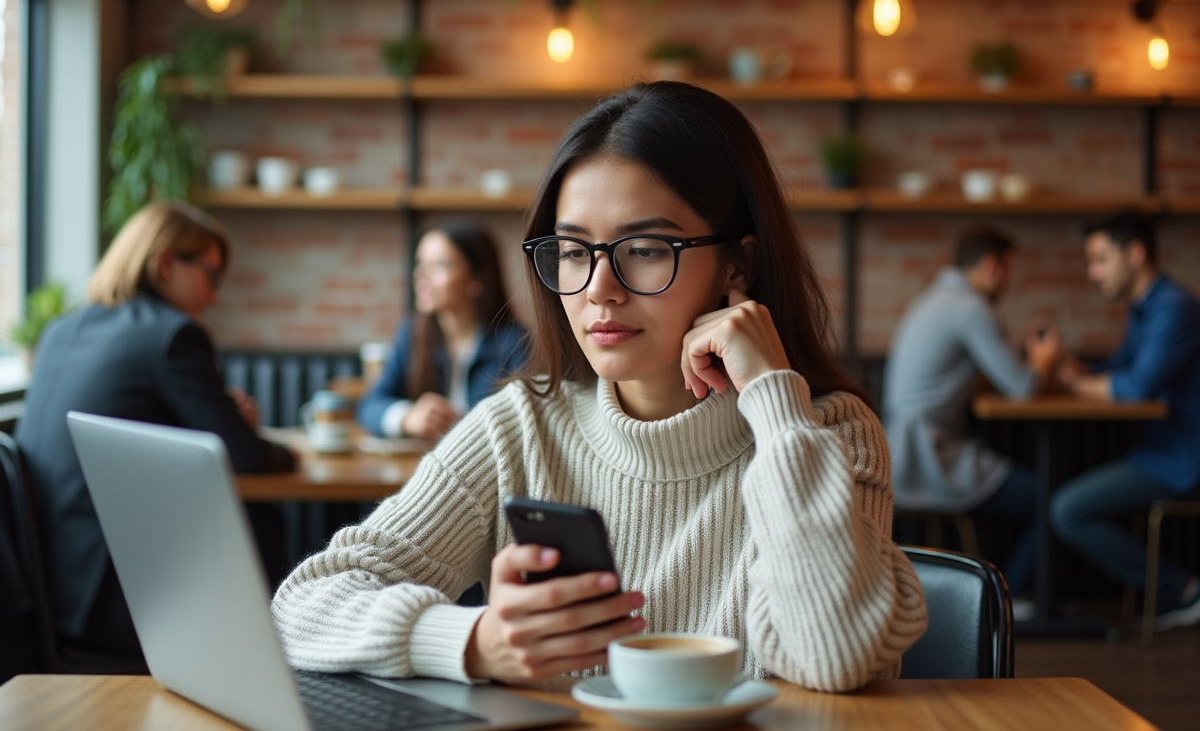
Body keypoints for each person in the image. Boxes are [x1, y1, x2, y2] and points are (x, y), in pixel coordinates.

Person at [271, 82, 926, 693]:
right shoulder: (520, 429)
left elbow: (835, 654)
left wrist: (775, 406)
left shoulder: (829, 436)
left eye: (644, 248)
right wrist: (473, 640)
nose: (598, 290)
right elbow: (302, 605)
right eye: (575, 251)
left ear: (739, 263)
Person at [15, 201, 295, 661]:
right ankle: (262, 668)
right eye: (211, 276)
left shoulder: (61, 330)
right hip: (116, 590)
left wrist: (218, 418)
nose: (215, 296)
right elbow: (246, 456)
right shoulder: (173, 335)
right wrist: (285, 451)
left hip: (44, 583)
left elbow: (132, 423)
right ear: (167, 264)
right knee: (264, 521)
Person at [883, 229, 1060, 604]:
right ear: (992, 265)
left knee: (1042, 496)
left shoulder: (931, 300)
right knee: (1051, 499)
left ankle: (1005, 599)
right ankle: (1007, 601)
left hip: (901, 452)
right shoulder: (971, 307)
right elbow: (1023, 387)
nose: (1007, 283)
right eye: (1008, 271)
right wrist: (1043, 361)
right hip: (930, 456)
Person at [1050, 210, 1200, 630]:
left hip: (1182, 459)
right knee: (1062, 493)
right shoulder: (1143, 309)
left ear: (1135, 254)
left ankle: (1183, 589)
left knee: (1067, 509)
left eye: (1100, 259)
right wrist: (1076, 372)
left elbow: (1134, 389)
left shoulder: (1175, 308)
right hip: (1157, 451)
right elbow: (1115, 374)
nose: (1092, 272)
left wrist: (1076, 386)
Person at [357, 220, 527, 441]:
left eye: (440, 265)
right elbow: (369, 406)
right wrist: (408, 417)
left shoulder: (515, 344)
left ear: (476, 279)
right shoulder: (412, 335)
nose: (421, 276)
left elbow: (523, 426)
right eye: (420, 264)